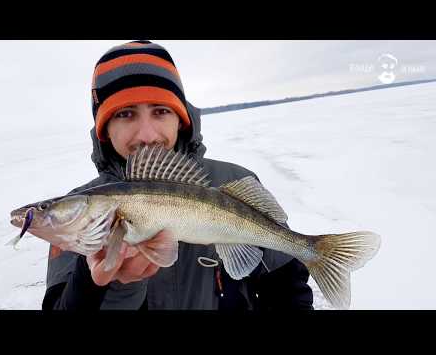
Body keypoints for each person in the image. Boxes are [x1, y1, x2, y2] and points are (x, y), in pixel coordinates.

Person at [42, 40, 313, 310]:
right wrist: (97, 281)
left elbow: (288, 293)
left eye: (160, 111)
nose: (147, 135)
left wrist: (310, 252)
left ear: (180, 118)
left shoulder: (234, 180)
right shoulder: (75, 216)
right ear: (104, 128)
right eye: (126, 114)